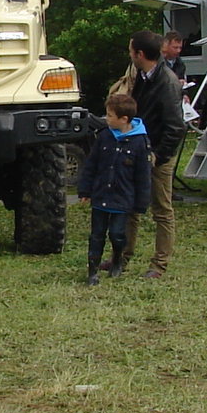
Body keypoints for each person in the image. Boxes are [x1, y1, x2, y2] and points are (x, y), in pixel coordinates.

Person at [75, 91, 151, 284]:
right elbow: (92, 165)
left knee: (117, 234)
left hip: (122, 198)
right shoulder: (104, 137)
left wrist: (141, 203)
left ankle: (117, 259)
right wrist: (85, 190)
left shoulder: (140, 142)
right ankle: (92, 271)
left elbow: (143, 175)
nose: (106, 119)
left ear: (124, 119)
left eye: (110, 115)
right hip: (101, 195)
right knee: (96, 235)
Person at [127, 30, 187, 278]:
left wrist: (159, 157)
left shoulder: (166, 82)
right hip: (141, 149)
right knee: (130, 206)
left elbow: (176, 127)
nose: (129, 54)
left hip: (158, 153)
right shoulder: (143, 76)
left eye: (131, 50)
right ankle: (122, 255)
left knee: (161, 209)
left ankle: (159, 264)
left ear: (140, 54)